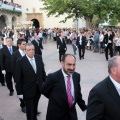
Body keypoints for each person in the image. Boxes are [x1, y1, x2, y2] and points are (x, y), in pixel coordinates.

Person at [41, 54, 87, 120]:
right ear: (62, 63)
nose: (72, 68)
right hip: (56, 115)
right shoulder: (53, 77)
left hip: (71, 115)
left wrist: (84, 108)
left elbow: (77, 94)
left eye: (74, 64)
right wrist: (54, 98)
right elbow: (43, 90)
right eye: (69, 64)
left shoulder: (77, 76)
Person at [16, 43, 46, 120]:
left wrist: (45, 84)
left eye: (33, 49)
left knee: (35, 106)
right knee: (29, 110)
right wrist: (19, 92)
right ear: (25, 51)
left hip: (38, 89)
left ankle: (34, 117)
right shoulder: (20, 61)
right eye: (29, 50)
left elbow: (42, 73)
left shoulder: (38, 58)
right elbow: (18, 79)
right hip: (27, 90)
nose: (31, 51)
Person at [11, 39, 26, 113]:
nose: (25, 45)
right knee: (20, 92)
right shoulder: (14, 55)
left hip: (27, 77)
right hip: (19, 77)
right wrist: (16, 79)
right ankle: (23, 105)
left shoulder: (27, 52)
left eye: (25, 44)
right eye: (23, 44)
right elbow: (13, 68)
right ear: (19, 45)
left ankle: (28, 105)